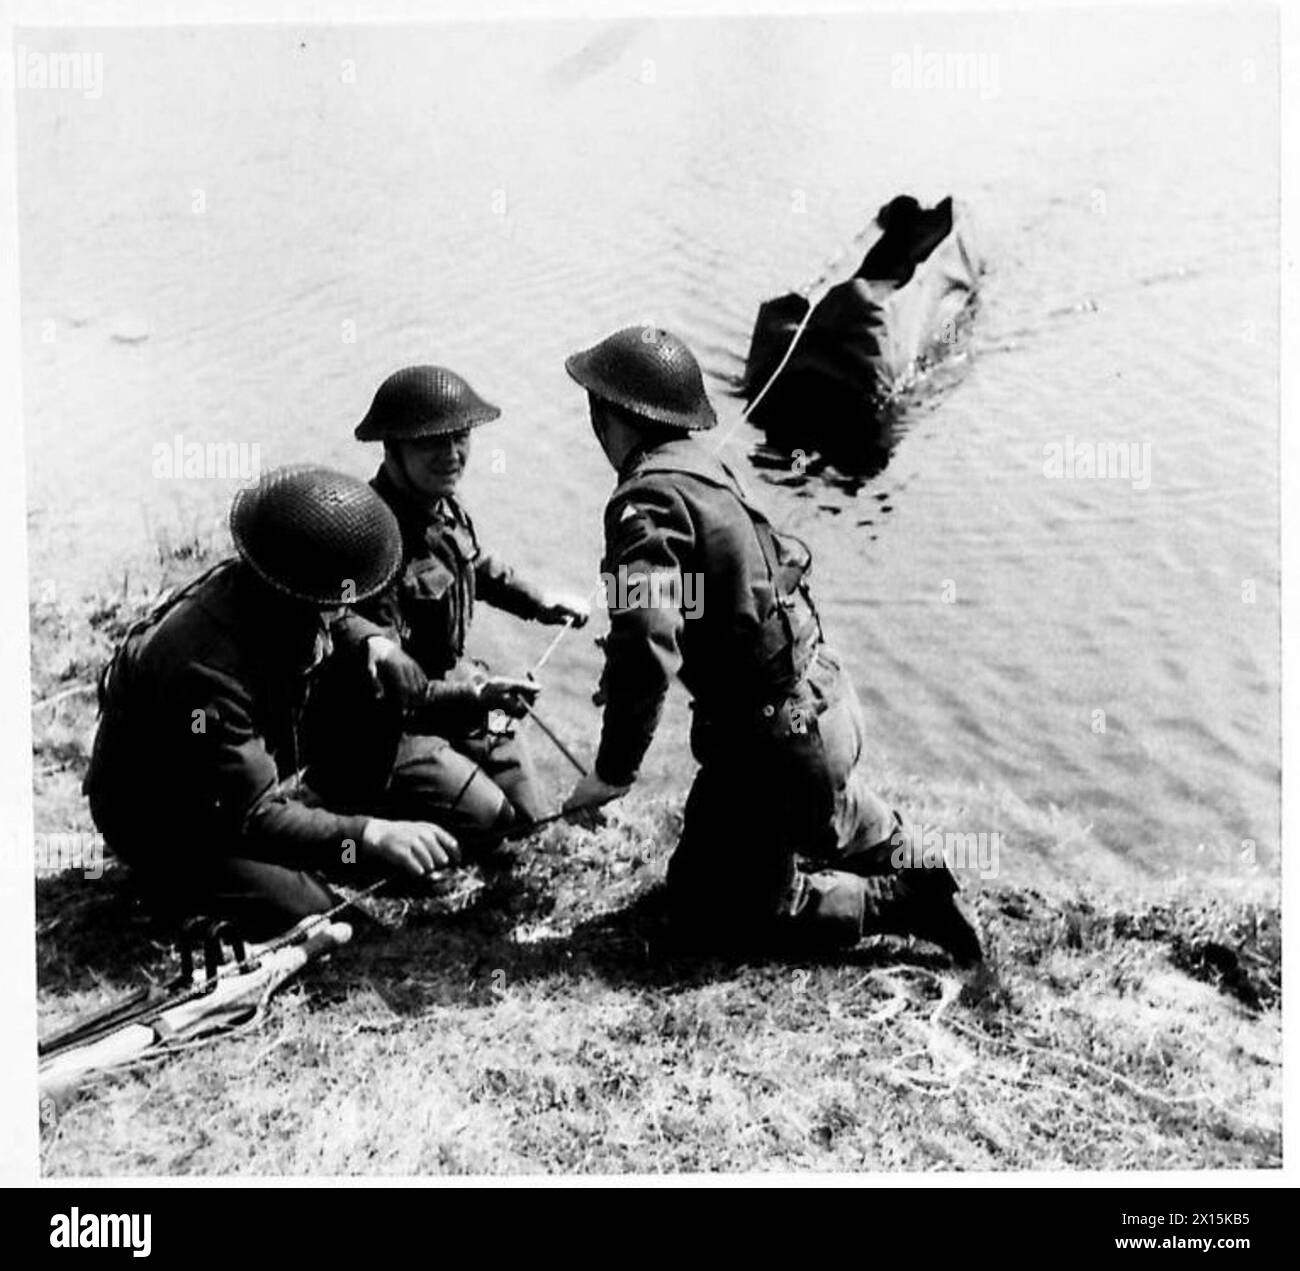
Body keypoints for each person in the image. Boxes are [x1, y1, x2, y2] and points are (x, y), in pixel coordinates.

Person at [560, 326, 982, 963]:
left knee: (716, 919)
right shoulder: (705, 468)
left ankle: (897, 902)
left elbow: (647, 638)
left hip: (775, 743)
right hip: (823, 703)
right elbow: (705, 604)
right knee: (722, 867)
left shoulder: (643, 499)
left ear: (606, 414)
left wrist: (611, 773)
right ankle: (913, 858)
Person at [84, 466, 462, 941]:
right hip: (167, 816)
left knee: (364, 687)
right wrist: (370, 834)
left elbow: (335, 617)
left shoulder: (265, 586)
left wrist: (378, 644)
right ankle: (174, 881)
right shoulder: (205, 672)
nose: (341, 609)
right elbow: (254, 816)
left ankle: (326, 839)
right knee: (323, 914)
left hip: (218, 779)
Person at [304, 365, 590, 849]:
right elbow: (394, 690)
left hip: (452, 688)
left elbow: (473, 564)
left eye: (461, 438)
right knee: (495, 824)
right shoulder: (369, 539)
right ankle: (348, 805)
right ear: (392, 447)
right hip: (387, 728)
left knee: (530, 818)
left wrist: (539, 601)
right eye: (432, 442)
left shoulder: (441, 503)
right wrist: (478, 698)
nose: (453, 454)